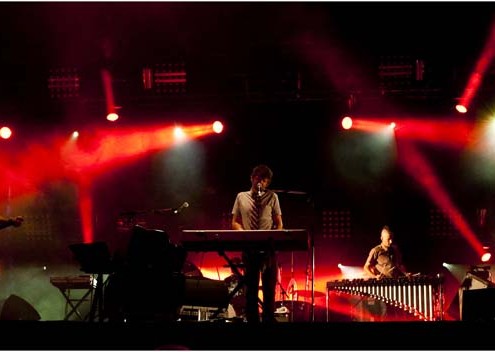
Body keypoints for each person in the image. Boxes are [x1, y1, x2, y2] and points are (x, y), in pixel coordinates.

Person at [231, 164, 283, 323]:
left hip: (268, 250)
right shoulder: (241, 196)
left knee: (269, 290)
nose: (262, 183)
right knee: (251, 291)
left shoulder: (272, 197)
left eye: (266, 181)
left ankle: (268, 321)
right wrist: (244, 234)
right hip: (249, 248)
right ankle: (252, 323)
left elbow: (279, 223)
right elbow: (235, 222)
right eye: (259, 179)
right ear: (252, 178)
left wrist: (274, 238)